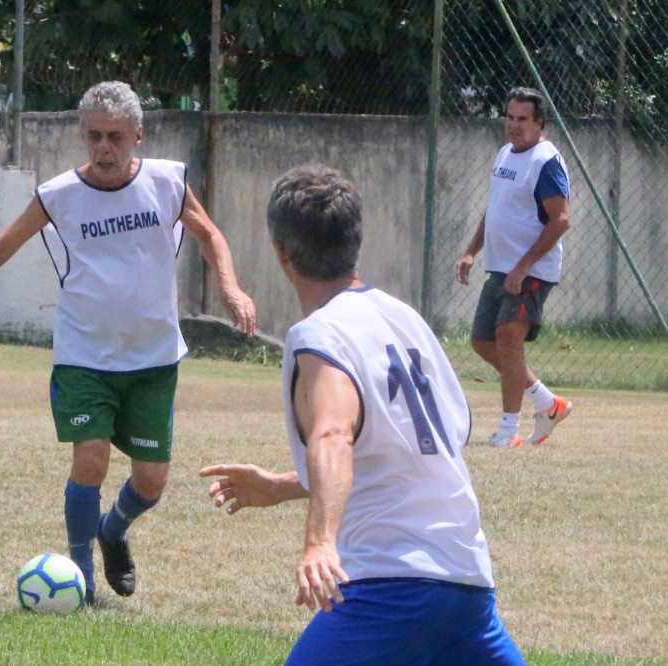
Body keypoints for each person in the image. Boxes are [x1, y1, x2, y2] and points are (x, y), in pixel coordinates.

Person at [0, 81, 255, 605]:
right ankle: (81, 581)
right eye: (94, 136)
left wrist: (231, 289)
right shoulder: (58, 197)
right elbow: (0, 249)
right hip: (85, 356)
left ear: (137, 136)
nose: (103, 147)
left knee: (152, 481)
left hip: (153, 358)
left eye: (115, 137)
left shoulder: (167, 182)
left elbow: (210, 233)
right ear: (82, 135)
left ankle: (113, 531)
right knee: (90, 461)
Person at [201, 165, 524, 665]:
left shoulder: (320, 335)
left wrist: (320, 543)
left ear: (282, 253)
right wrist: (288, 484)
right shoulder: (406, 319)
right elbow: (420, 446)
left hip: (391, 587)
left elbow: (332, 434)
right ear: (355, 240)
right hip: (467, 587)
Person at [456, 86, 573, 448]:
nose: (514, 125)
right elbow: (496, 209)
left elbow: (561, 220)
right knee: (482, 341)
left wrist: (523, 267)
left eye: (523, 119)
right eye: (510, 117)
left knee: (508, 338)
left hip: (531, 271)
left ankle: (509, 431)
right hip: (501, 267)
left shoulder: (545, 161)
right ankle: (547, 403)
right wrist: (472, 251)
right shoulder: (505, 154)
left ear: (541, 124)